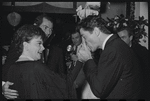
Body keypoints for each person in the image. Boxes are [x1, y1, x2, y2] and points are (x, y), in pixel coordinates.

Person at [3, 24, 83, 99]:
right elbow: (66, 84)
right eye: (39, 43)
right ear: (25, 45)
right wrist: (80, 62)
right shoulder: (36, 68)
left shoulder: (12, 68)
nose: (43, 48)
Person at [76, 15, 143, 99]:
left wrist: (87, 60)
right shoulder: (116, 45)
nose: (84, 42)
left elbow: (99, 90)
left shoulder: (112, 50)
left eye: (84, 37)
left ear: (96, 31)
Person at [2, 14, 62, 99]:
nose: (49, 32)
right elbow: (7, 69)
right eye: (45, 27)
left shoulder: (55, 50)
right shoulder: (20, 47)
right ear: (35, 26)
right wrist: (3, 86)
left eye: (51, 29)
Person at [117, 27, 149, 100]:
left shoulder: (141, 52)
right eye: (119, 38)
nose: (121, 41)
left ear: (131, 37)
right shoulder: (118, 51)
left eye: (123, 37)